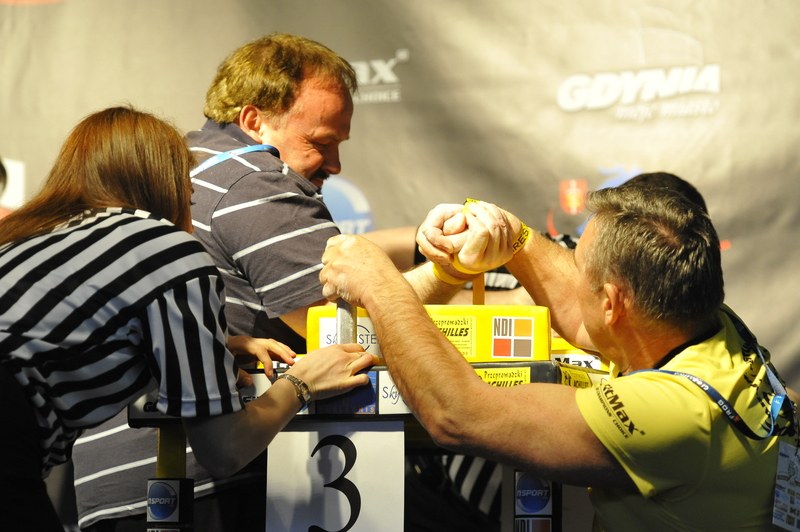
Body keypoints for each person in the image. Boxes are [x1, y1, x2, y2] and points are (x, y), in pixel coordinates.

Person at [73, 34, 465, 532]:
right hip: (212, 479)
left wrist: (415, 242)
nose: (335, 165)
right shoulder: (253, 180)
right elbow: (351, 327)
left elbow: (331, 260)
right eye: (320, 142)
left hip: (114, 486)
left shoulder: (186, 166)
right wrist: (454, 269)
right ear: (254, 121)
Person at [319, 183, 798, 530]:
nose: (573, 275)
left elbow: (458, 415)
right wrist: (508, 234)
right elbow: (576, 307)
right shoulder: (704, 319)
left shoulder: (669, 414)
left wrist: (379, 283)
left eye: (581, 268)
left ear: (612, 303)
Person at [0, 106, 374, 532]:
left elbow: (75, 335)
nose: (192, 204)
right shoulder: (167, 249)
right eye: (189, 190)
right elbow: (223, 449)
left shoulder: (26, 239)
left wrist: (212, 345)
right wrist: (303, 381)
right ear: (167, 184)